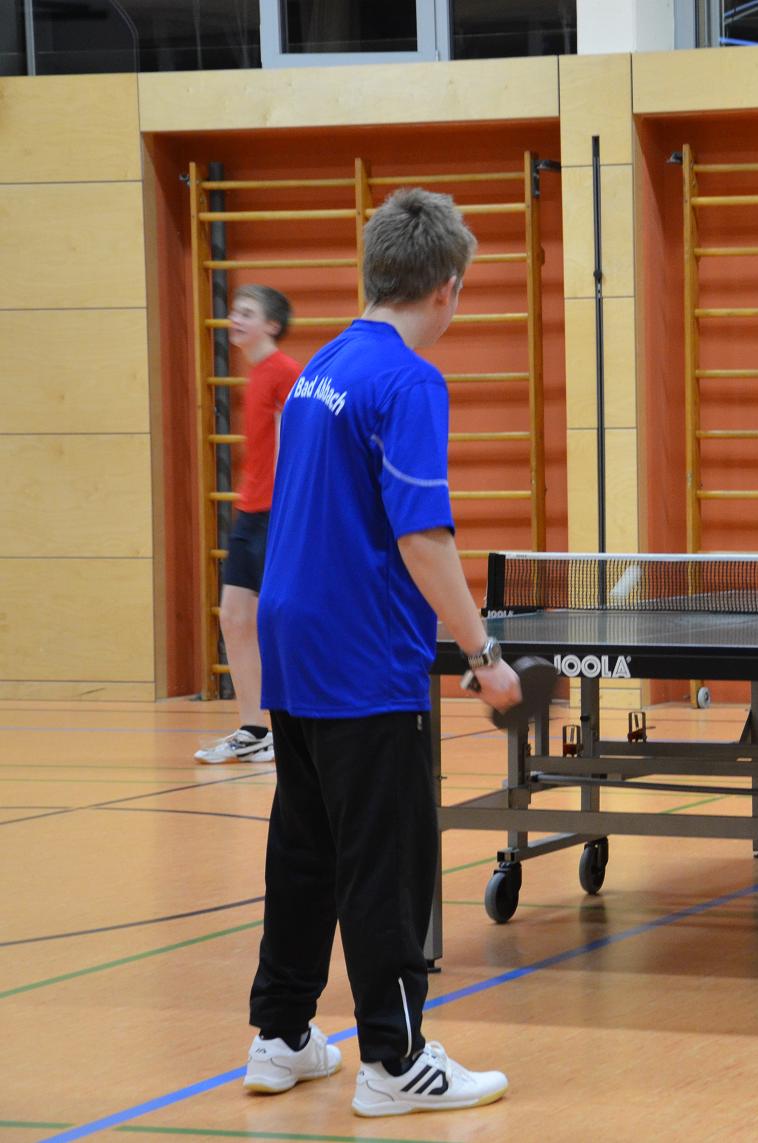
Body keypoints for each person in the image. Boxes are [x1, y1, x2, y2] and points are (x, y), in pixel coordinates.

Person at [244, 188, 520, 1116]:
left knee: (307, 845)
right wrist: (482, 652)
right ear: (447, 288)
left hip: (292, 637)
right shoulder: (409, 381)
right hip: (360, 654)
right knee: (385, 858)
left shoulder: (321, 364)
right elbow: (422, 537)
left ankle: (282, 1033)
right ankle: (394, 1060)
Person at [195, 286, 300, 765]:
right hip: (251, 511)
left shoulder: (286, 373)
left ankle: (294, 727)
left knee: (281, 622)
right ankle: (254, 729)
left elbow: (305, 443)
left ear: (271, 325)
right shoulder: (258, 374)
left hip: (277, 515)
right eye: (234, 311)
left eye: (246, 313)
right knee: (235, 618)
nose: (234, 319)